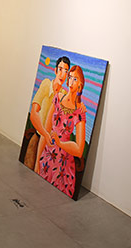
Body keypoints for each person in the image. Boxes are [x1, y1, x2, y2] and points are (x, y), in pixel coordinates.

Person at [38, 65, 86, 198]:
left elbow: (79, 150)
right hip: (47, 157)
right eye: (70, 78)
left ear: (80, 86)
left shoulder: (80, 111)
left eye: (75, 79)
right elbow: (46, 131)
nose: (70, 81)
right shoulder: (58, 98)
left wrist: (60, 144)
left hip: (64, 165)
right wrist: (37, 160)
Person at [26, 56, 70, 173]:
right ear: (55, 71)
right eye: (60, 69)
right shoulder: (46, 84)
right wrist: (45, 134)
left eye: (66, 71)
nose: (62, 74)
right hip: (38, 138)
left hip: (51, 146)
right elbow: (33, 114)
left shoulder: (64, 94)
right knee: (28, 171)